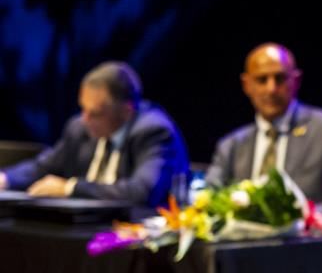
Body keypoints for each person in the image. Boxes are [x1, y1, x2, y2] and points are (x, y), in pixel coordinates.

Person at [206, 43, 322, 214]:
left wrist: (305, 215)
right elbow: (207, 200)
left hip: (305, 242)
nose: (271, 89)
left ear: (296, 80)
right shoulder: (231, 145)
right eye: (262, 80)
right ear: (247, 84)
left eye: (280, 78)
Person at [0, 61, 189, 207]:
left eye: (96, 114)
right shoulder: (79, 128)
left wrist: (70, 188)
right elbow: (43, 166)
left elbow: (141, 191)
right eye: (83, 109)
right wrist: (6, 179)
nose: (85, 119)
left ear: (127, 110)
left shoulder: (153, 132)